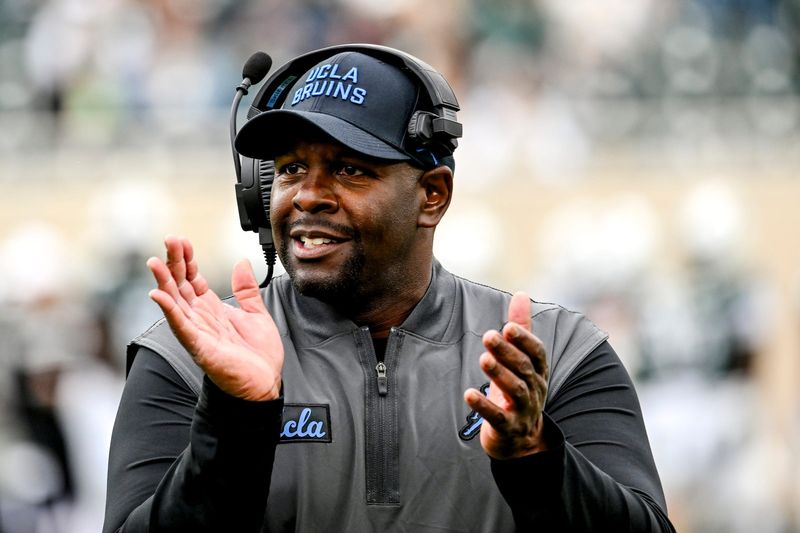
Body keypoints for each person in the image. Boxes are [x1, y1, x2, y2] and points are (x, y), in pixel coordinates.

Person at [103, 45, 675, 532]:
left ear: (433, 195)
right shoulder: (184, 358)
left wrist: (536, 457)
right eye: (291, 168)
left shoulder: (557, 352)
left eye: (350, 169)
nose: (307, 196)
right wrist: (233, 416)